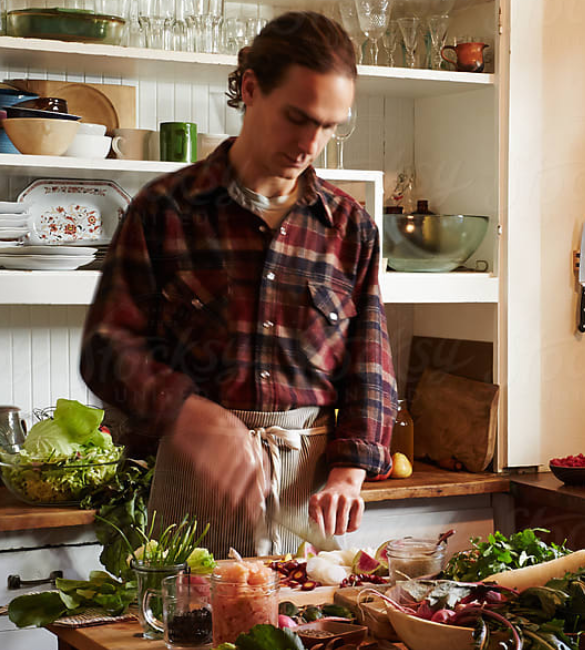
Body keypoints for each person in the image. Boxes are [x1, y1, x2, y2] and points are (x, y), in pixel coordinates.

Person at [80, 11, 396, 557]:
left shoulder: (350, 228)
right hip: (194, 486)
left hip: (307, 493)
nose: (310, 143)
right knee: (186, 639)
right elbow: (108, 348)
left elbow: (370, 362)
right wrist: (186, 413)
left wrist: (349, 472)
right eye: (297, 117)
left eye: (330, 126)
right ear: (250, 89)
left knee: (302, 641)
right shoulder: (164, 210)